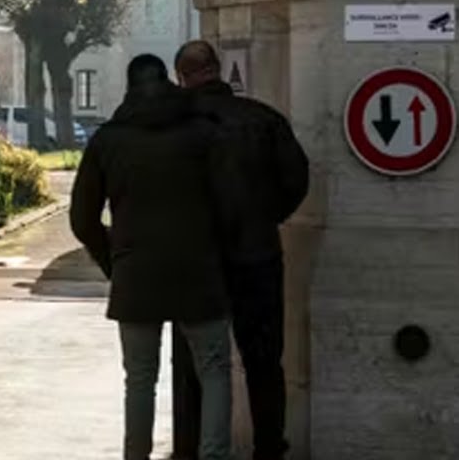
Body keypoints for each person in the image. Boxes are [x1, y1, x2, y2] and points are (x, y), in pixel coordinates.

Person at [70, 54, 233, 460]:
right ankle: (214, 455)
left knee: (140, 379)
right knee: (213, 369)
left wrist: (113, 259)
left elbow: (81, 217)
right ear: (170, 83)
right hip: (198, 269)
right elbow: (232, 202)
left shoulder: (108, 140)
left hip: (135, 272)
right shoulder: (203, 134)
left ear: (128, 87)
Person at [171, 40, 310, 460]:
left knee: (196, 364)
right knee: (264, 362)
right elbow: (297, 180)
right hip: (258, 255)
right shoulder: (264, 119)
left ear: (182, 77)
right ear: (217, 69)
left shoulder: (174, 127)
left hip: (197, 261)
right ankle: (268, 448)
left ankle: (191, 448)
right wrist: (265, 218)